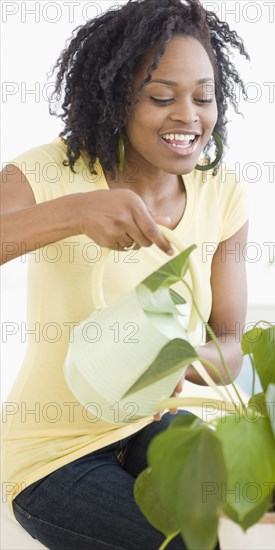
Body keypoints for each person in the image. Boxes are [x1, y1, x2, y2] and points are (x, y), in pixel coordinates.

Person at [1, 0, 250, 548]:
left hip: (148, 427)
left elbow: (230, 338)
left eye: (203, 97)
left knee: (253, 510)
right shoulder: (51, 171)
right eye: (162, 97)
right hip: (51, 454)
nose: (189, 116)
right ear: (115, 100)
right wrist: (77, 212)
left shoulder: (223, 195)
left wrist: (192, 360)